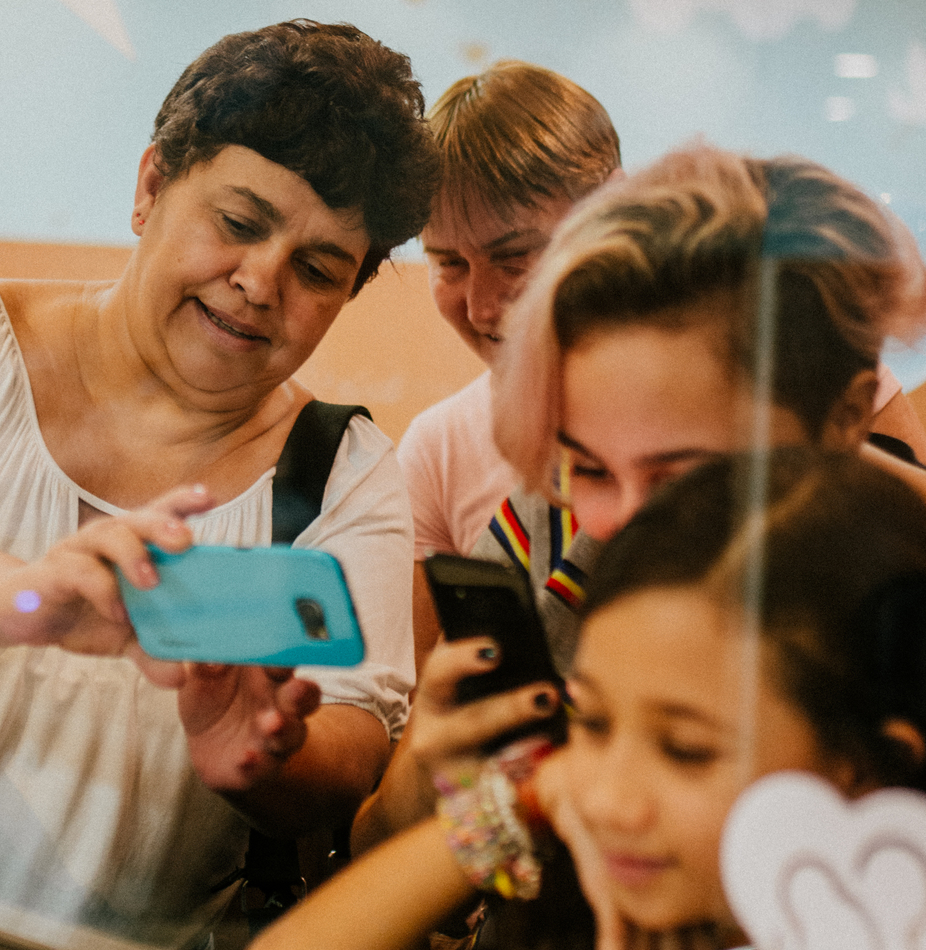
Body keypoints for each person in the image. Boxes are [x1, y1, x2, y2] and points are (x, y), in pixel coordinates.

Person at [0, 20, 437, 950]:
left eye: (316, 269)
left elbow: (352, 741)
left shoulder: (341, 478)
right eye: (238, 222)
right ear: (150, 186)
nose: (260, 282)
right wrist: (31, 596)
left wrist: (265, 755)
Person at [228, 449, 926, 950]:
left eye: (685, 750)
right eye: (593, 721)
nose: (610, 797)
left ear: (866, 767)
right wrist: (526, 801)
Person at [352, 143, 926, 853]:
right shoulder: (544, 529)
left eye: (686, 477)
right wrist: (443, 795)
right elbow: (443, 860)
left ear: (840, 422)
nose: (621, 524)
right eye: (588, 468)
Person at [395, 62, 621, 671]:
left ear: (612, 213)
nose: (480, 305)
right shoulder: (437, 450)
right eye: (448, 264)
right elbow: (422, 715)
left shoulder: (759, 380)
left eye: (515, 255)